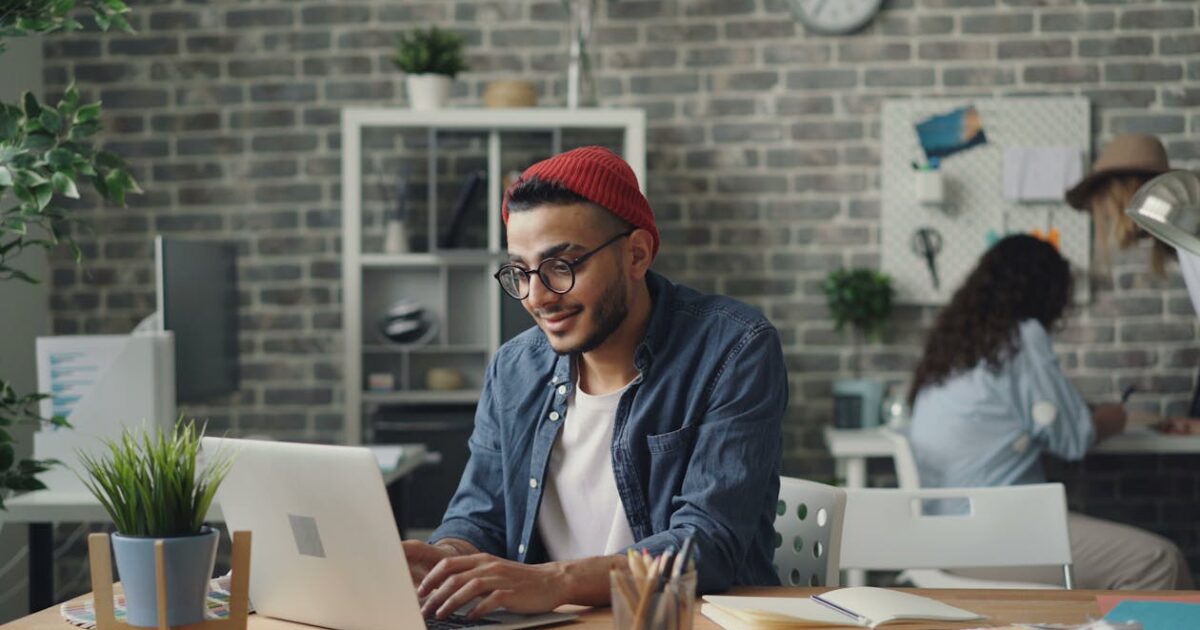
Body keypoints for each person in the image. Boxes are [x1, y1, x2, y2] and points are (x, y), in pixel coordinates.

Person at [402, 146, 788, 620]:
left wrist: (552, 581)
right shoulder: (514, 368)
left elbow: (708, 543)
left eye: (562, 266)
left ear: (637, 253)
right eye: (520, 272)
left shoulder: (733, 349)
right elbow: (480, 515)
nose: (537, 296)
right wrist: (447, 559)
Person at [907, 234, 1193, 590]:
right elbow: (1073, 437)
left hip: (943, 534)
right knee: (1158, 562)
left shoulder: (954, 350)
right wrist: (1112, 418)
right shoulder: (1021, 337)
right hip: (991, 535)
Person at [1065, 133, 1200, 429]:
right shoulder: (1180, 240)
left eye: (1102, 203)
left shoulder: (1192, 236)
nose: (1104, 217)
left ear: (1121, 193)